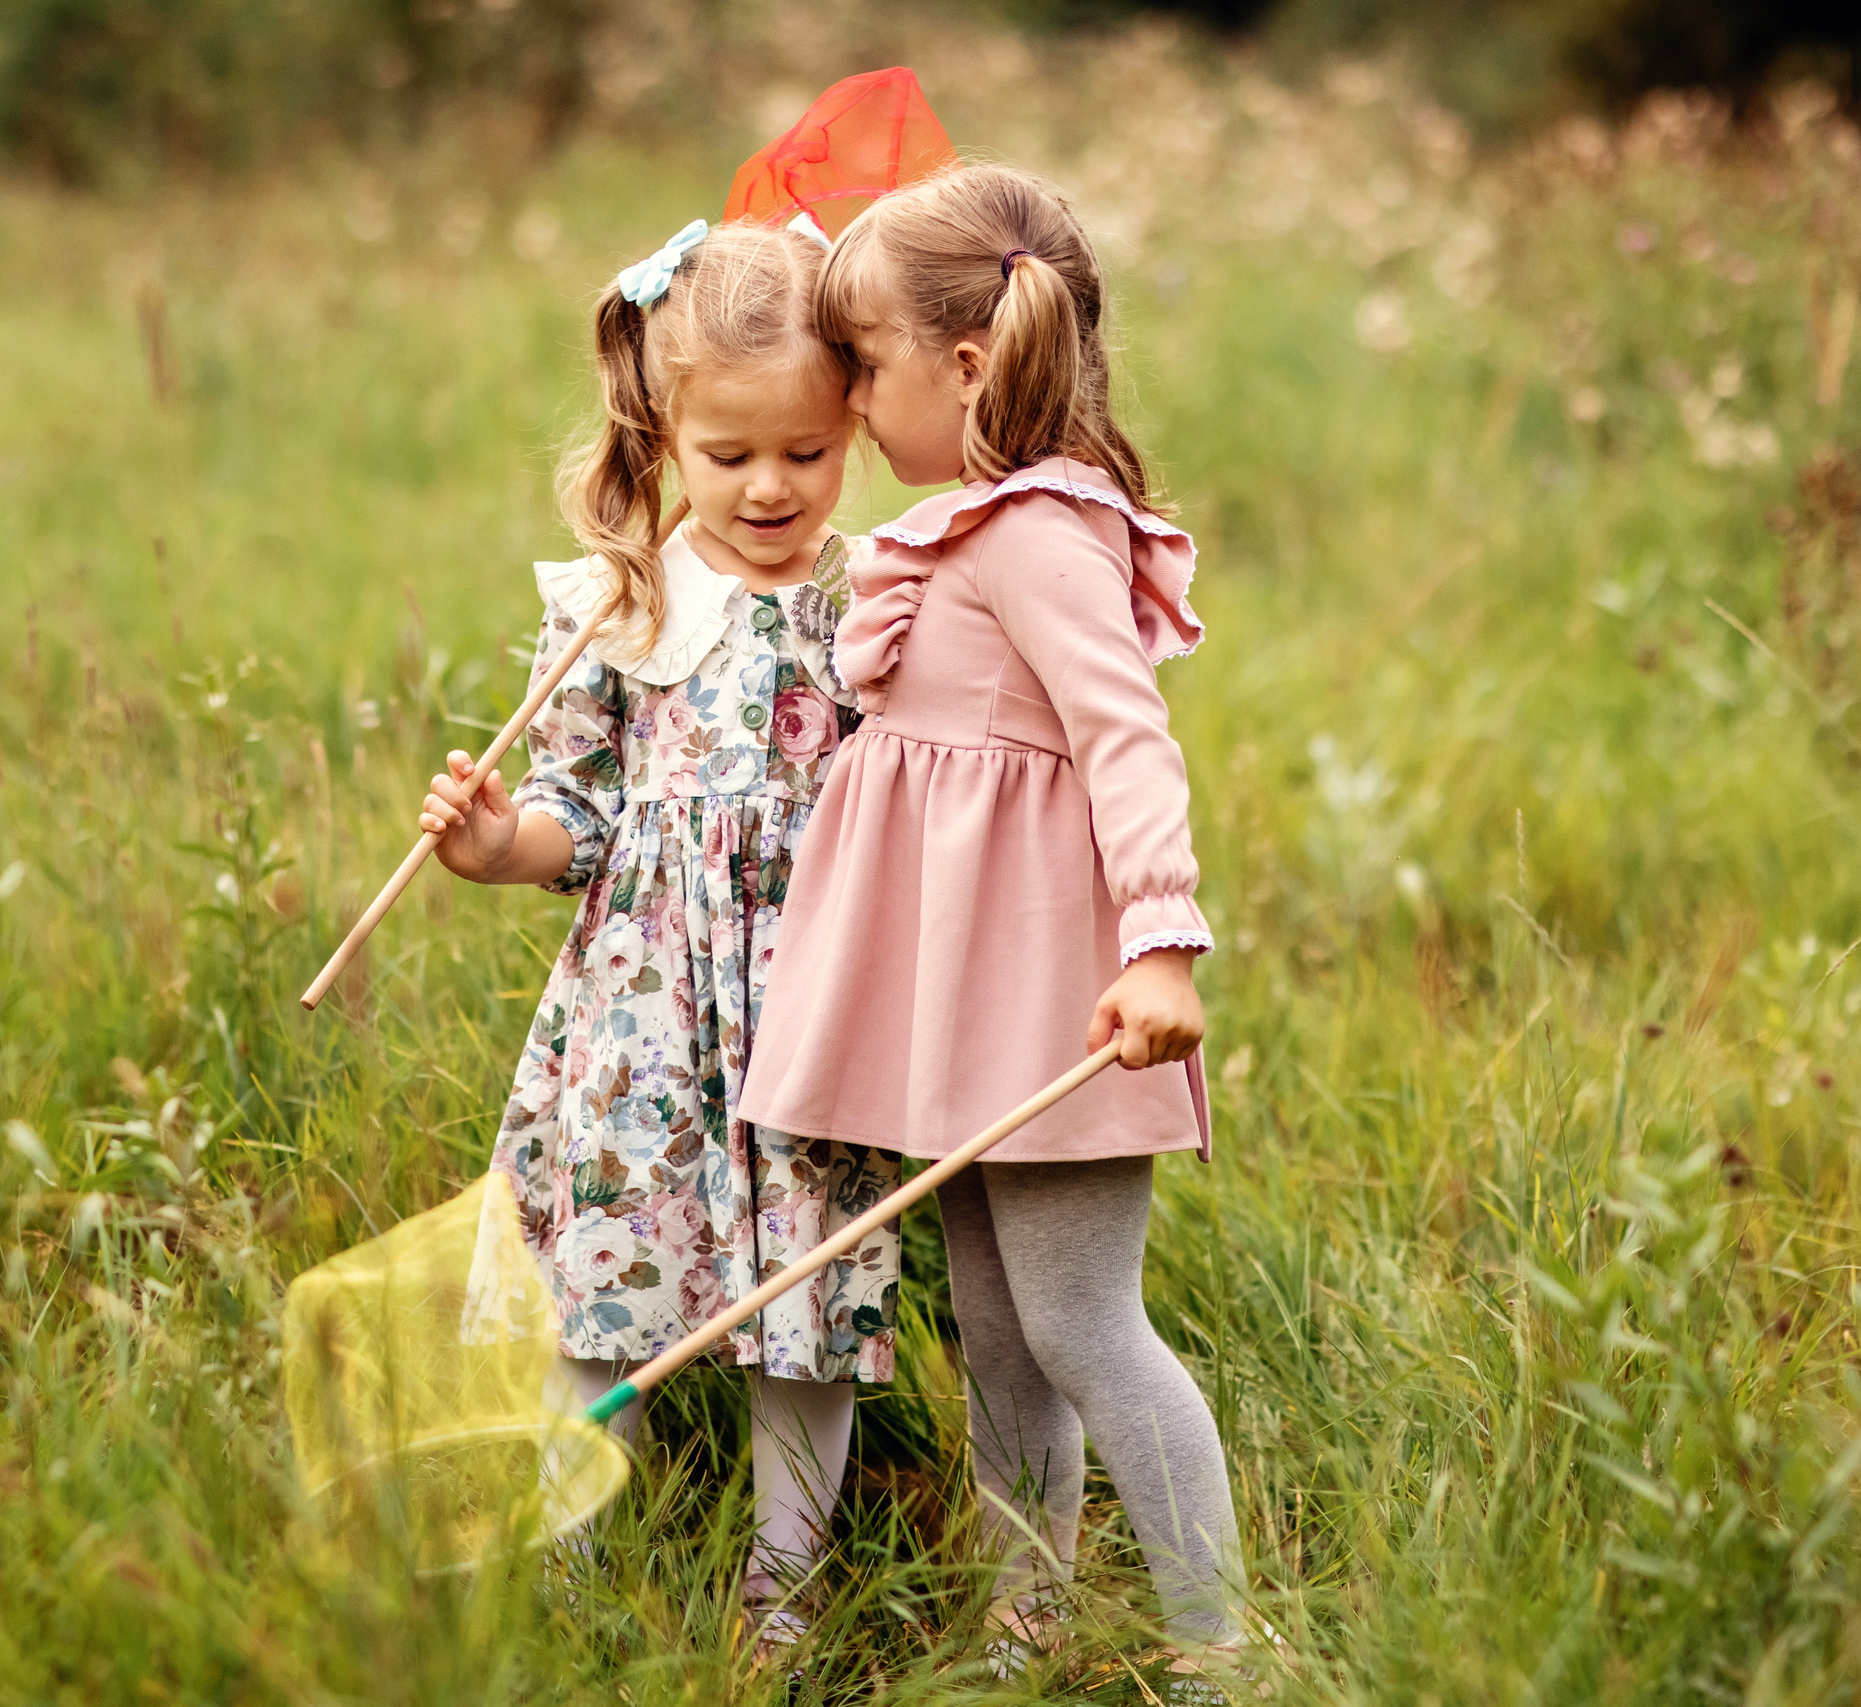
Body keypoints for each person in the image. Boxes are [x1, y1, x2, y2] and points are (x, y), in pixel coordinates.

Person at [737, 162, 1248, 1688]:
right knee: (1000, 1328)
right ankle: (1033, 1618)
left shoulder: (1039, 535)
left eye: (864, 364)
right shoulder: (969, 528)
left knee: (1086, 1324)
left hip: (1057, 1003)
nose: (848, 398)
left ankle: (1223, 1648)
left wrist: (1161, 944)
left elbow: (1127, 739)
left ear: (965, 366)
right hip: (970, 1008)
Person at [415, 214, 896, 1650]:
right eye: (728, 453)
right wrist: (499, 844)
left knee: (805, 1291)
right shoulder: (620, 605)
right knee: (606, 1279)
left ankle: (785, 1591)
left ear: (854, 426)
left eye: (807, 451)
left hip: (811, 999)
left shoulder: (870, 598)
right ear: (662, 432)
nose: (770, 486)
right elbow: (577, 812)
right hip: (644, 1013)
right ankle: (565, 1573)